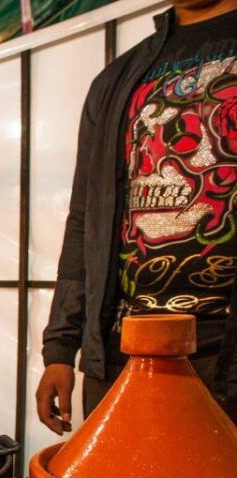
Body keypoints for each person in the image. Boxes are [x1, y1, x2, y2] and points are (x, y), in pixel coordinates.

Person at [37, 0, 237, 433]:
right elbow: (84, 220)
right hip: (122, 348)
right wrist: (60, 347)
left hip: (223, 351)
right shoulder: (117, 80)